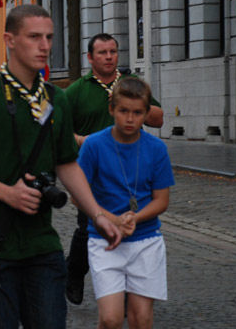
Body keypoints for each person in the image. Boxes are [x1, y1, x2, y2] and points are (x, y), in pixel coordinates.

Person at [0, 4, 122, 329]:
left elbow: (67, 164)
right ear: (10, 39)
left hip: (41, 243)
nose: (45, 46)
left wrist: (98, 215)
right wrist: (7, 193)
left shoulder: (58, 99)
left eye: (49, 37)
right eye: (34, 37)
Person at [64, 33, 164, 305]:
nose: (109, 57)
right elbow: (58, 130)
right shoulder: (77, 91)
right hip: (92, 170)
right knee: (88, 226)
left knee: (131, 221)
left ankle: (125, 287)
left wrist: (138, 104)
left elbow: (158, 118)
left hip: (131, 167)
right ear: (90, 58)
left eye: (113, 52)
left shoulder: (131, 85)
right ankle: (73, 272)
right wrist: (82, 140)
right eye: (102, 53)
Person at [77, 77, 174, 329]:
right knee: (110, 319)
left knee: (141, 318)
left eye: (137, 113)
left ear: (146, 113)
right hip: (104, 239)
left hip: (145, 240)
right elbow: (79, 195)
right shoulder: (94, 146)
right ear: (111, 109)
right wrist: (111, 219)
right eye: (123, 111)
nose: (130, 119)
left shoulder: (156, 148)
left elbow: (161, 200)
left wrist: (134, 218)